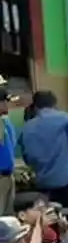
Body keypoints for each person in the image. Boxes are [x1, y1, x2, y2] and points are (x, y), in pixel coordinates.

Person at [17, 90, 68, 208]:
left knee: (51, 215)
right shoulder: (63, 118)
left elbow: (27, 158)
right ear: (54, 104)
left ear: (36, 106)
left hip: (45, 182)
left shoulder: (27, 128)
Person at [0, 85, 16, 215]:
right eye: (5, 101)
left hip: (8, 176)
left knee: (9, 218)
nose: (7, 105)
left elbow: (12, 145)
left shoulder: (5, 123)